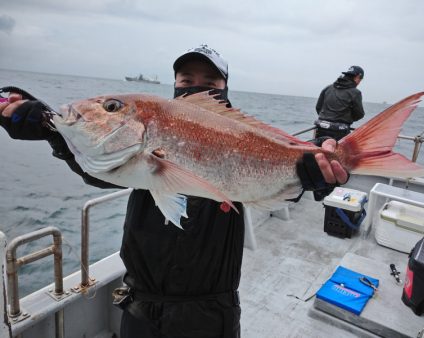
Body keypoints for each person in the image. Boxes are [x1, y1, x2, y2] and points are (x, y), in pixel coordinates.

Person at [0, 44, 348, 337]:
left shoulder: (243, 138)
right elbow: (101, 169)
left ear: (225, 89)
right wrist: (51, 129)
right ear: (174, 85)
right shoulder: (148, 140)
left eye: (210, 81)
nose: (196, 88)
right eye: (186, 80)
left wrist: (310, 174)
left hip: (212, 313)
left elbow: (274, 178)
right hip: (140, 305)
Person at [314, 65, 366, 141]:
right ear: (357, 77)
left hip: (321, 128)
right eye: (360, 80)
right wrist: (345, 118)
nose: (359, 82)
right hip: (339, 132)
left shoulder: (327, 88)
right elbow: (359, 114)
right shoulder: (355, 93)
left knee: (319, 151)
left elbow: (318, 108)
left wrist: (328, 118)